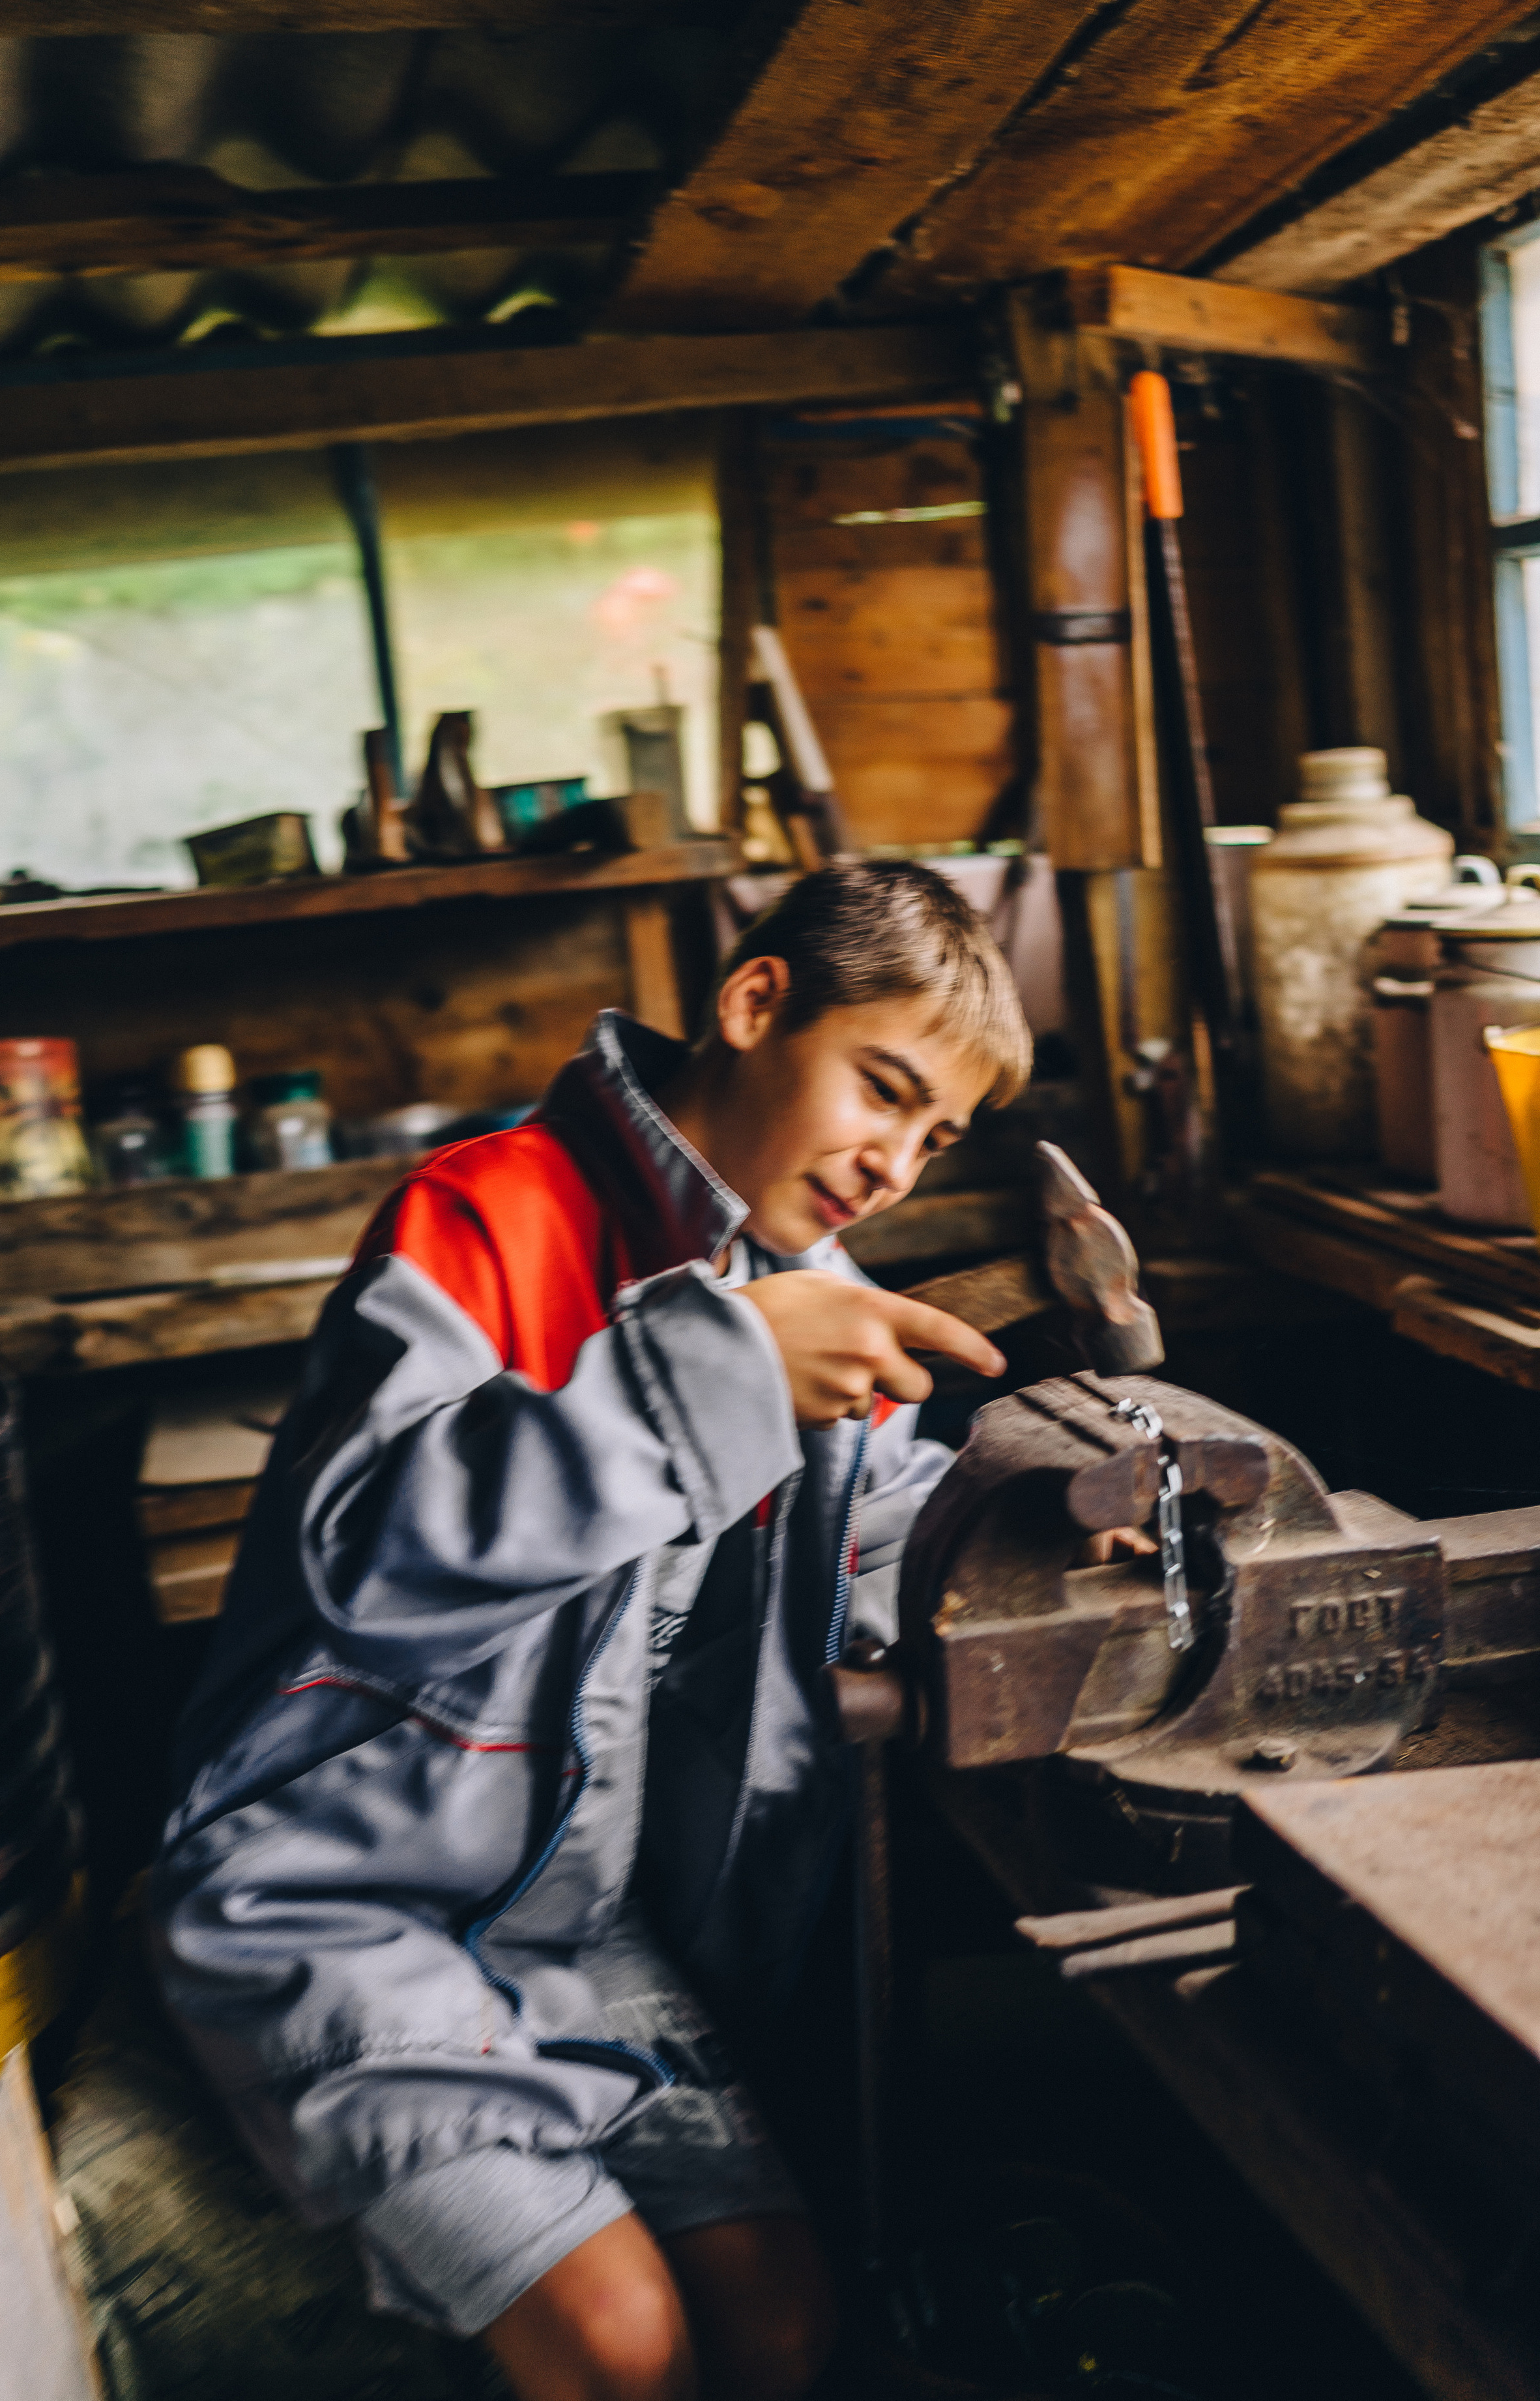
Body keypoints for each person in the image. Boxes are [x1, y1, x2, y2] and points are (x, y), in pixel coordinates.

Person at [150, 861, 1034, 2401]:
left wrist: (1036, 1518)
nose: (890, 1162)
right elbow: (373, 1560)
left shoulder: (795, 1274)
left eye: (932, 1137)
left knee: (782, 2327)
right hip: (338, 1900)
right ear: (755, 1002)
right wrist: (717, 1371)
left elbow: (870, 1514)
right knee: (621, 2347)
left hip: (573, 1930)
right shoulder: (479, 1215)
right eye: (879, 1091)